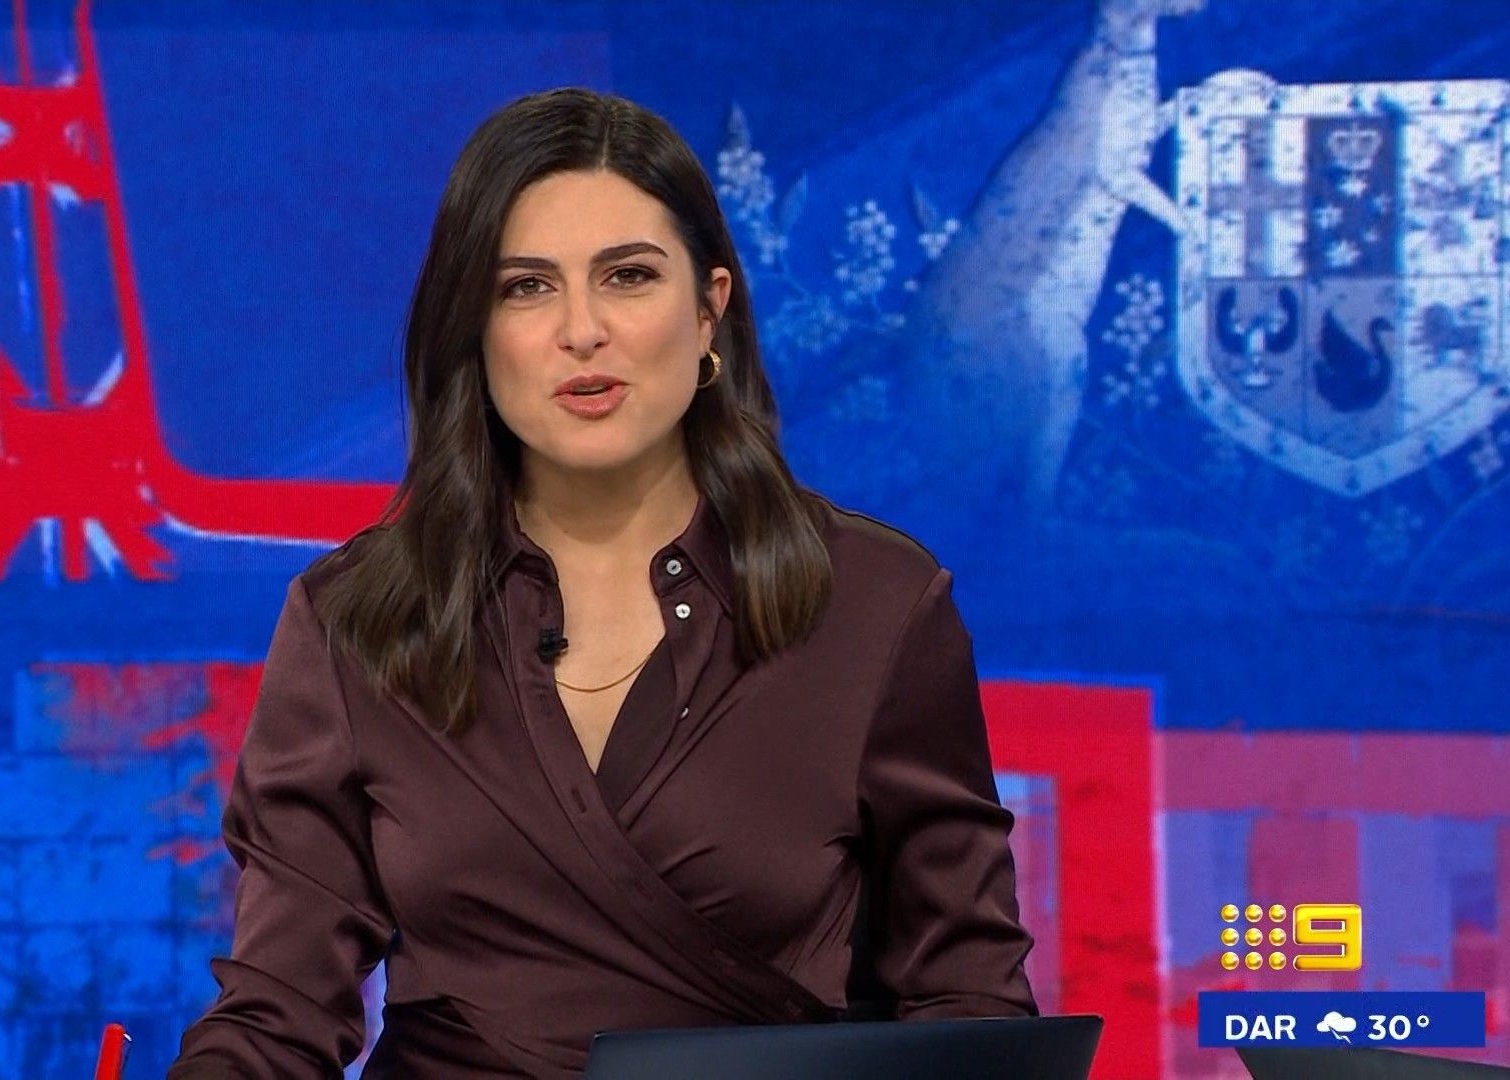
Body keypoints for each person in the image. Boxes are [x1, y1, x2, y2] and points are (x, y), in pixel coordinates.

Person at [168, 87, 1035, 1080]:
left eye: (627, 277)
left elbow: (968, 1005)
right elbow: (275, 1018)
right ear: (472, 329)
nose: (581, 330)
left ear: (708, 311)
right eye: (525, 287)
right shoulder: (357, 619)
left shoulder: (876, 606)